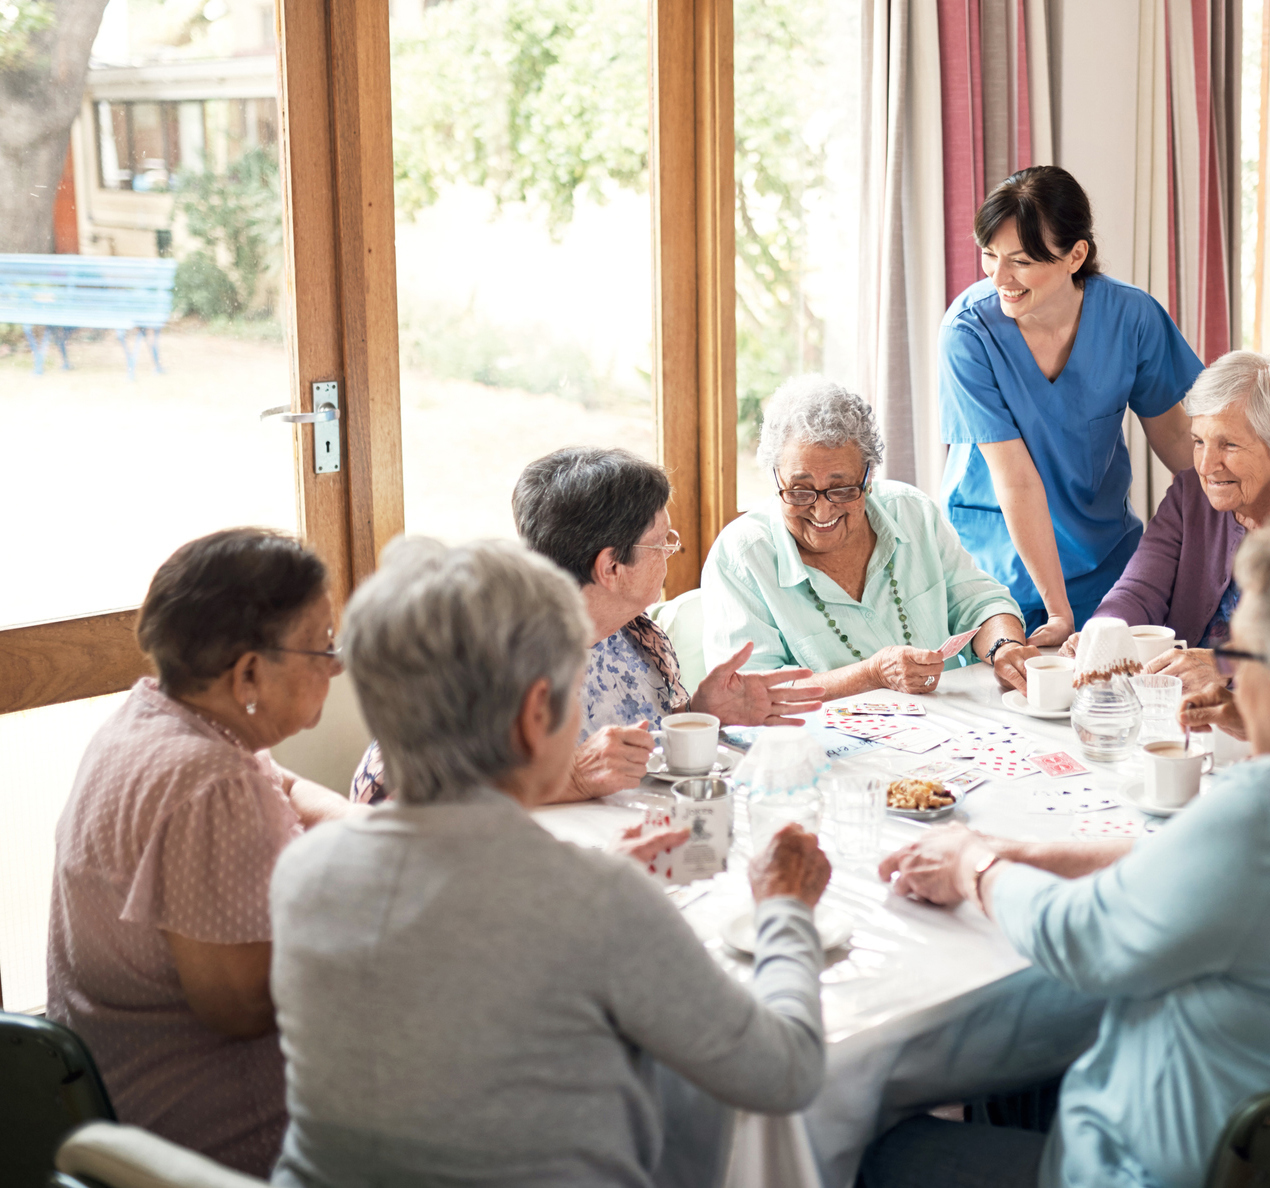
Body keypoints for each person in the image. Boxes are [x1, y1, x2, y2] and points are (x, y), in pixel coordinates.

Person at [868, 517, 1270, 1188]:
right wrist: (1028, 851)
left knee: (878, 1147)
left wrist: (974, 865)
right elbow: (1207, 867)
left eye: (1237, 656)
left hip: (1156, 1168)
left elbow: (1081, 939)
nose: (1227, 676)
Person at [271, 537, 832, 1188]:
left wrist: (584, 879)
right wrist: (786, 907)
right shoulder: (596, 903)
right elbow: (785, 1073)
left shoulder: (302, 873)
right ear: (538, 713)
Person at [46, 529, 352, 1175]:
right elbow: (241, 1010)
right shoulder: (214, 785)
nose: (336, 664)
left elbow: (284, 783)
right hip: (213, 1130)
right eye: (323, 645)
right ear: (248, 672)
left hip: (112, 1090)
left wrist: (365, 828)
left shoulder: (154, 717)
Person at [351, 446, 822, 804]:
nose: (672, 553)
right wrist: (569, 778)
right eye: (661, 542)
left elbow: (649, 755)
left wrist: (702, 715)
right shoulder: (487, 650)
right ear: (611, 568)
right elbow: (391, 799)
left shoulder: (640, 637)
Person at [939, 166, 1204, 645]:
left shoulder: (1131, 318)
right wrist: (1058, 613)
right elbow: (1015, 479)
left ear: (1075, 255)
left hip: (1103, 555)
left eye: (1020, 260)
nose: (1000, 277)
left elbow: (1175, 436)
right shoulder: (968, 334)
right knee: (1011, 703)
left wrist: (1245, 499)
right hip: (995, 558)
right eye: (989, 255)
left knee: (1114, 697)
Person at [704, 376, 1038, 700]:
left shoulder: (912, 512)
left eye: (842, 489)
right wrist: (871, 674)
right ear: (776, 478)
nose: (822, 512)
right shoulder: (742, 557)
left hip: (948, 730)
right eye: (800, 491)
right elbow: (750, 695)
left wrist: (1004, 646)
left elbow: (981, 603)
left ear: (869, 477)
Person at [1072, 350, 1270, 655]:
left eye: (1229, 444)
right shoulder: (1189, 495)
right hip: (1175, 692)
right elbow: (1139, 590)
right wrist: (1105, 629)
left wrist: (1220, 668)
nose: (1206, 467)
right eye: (1199, 442)